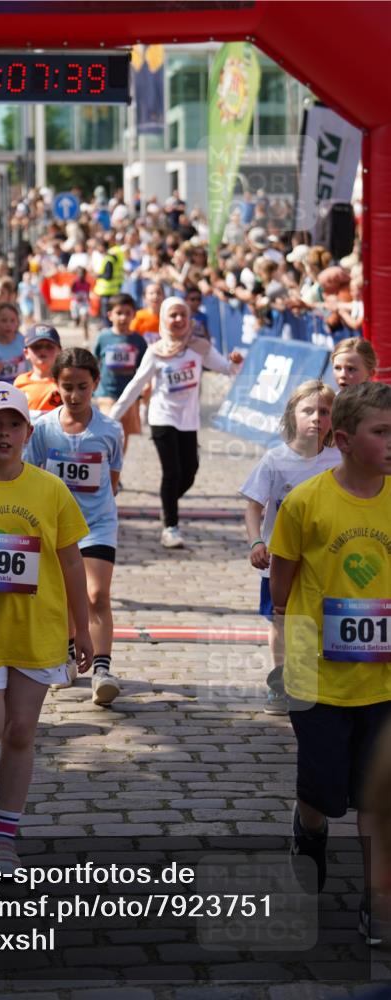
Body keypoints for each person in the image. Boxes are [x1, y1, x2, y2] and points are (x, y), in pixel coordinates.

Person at [0, 382, 93, 870]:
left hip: (38, 632)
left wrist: (83, 629)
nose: (3, 434)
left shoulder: (50, 489)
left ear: (29, 432)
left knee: (22, 731)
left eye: (13, 425)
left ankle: (5, 833)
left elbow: (71, 562)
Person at [269, 382, 391, 945]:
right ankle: (308, 833)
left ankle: (376, 902)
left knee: (376, 795)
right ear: (343, 440)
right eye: (381, 432)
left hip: (383, 679)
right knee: (322, 794)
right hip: (315, 673)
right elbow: (283, 578)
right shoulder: (306, 502)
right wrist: (291, 632)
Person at [26, 348, 123, 706]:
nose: (75, 395)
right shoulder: (43, 429)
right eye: (67, 387)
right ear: (57, 384)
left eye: (83, 386)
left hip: (97, 522)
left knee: (96, 594)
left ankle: (101, 669)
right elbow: (31, 475)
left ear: (95, 383)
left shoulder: (110, 430)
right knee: (66, 595)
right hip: (54, 526)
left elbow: (112, 481)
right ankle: (67, 656)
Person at [110, 297, 243, 549]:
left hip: (188, 420)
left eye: (182, 314)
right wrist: (112, 418)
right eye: (172, 315)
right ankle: (170, 527)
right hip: (162, 417)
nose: (178, 320)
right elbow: (136, 385)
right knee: (171, 472)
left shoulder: (199, 347)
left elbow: (226, 369)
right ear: (163, 319)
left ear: (189, 318)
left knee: (189, 472)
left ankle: (167, 502)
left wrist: (235, 361)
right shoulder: (156, 351)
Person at [239, 381, 339, 714]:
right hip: (279, 560)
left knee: (320, 621)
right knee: (279, 622)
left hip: (324, 561)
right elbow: (254, 505)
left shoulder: (339, 461)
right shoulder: (276, 460)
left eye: (324, 412)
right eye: (307, 410)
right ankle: (281, 682)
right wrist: (256, 541)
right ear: (291, 415)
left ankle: (318, 680)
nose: (316, 418)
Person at [93, 293, 147, 453]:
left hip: (129, 395)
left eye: (127, 313)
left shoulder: (138, 340)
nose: (123, 317)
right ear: (110, 315)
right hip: (107, 393)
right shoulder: (103, 337)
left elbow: (144, 367)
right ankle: (105, 468)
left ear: (134, 315)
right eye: (119, 313)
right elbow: (93, 361)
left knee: (124, 435)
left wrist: (145, 388)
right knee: (108, 431)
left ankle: (116, 472)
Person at [13, 324, 62, 424]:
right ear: (26, 353)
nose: (43, 350)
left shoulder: (64, 382)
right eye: (36, 347)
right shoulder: (20, 382)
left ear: (59, 352)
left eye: (49, 347)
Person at [69, 267, 91, 341]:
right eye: (79, 274)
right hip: (75, 304)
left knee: (85, 321)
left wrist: (88, 303)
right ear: (77, 274)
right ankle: (76, 320)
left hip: (84, 304)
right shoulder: (74, 283)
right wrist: (76, 296)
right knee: (76, 321)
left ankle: (86, 339)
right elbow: (70, 293)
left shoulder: (87, 284)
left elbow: (87, 294)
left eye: (83, 274)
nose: (81, 275)